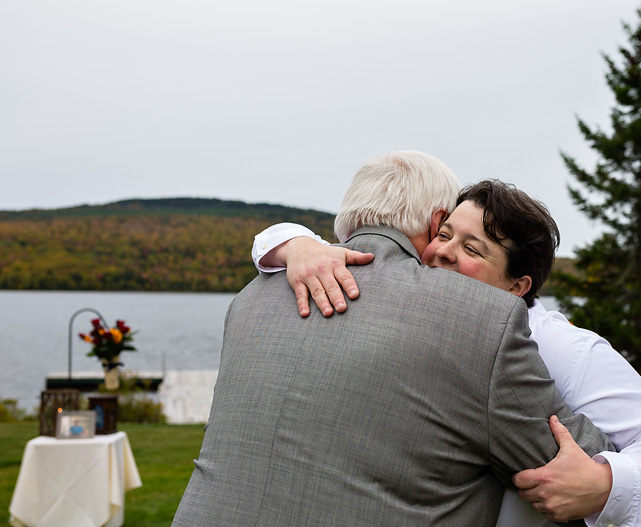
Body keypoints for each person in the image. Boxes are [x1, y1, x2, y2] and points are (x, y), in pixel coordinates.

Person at [172, 151, 615, 527]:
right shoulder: (482, 317)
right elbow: (566, 462)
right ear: (438, 220)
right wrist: (621, 470)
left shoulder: (254, 295)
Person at [252, 179, 641, 527]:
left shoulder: (565, 348)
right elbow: (283, 239)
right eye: (444, 234)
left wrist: (604, 483)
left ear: (517, 286)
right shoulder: (410, 309)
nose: (443, 252)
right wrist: (296, 244)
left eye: (471, 248)